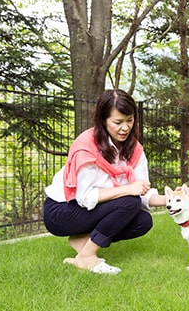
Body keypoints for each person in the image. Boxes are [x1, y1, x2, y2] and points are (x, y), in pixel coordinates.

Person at [43, 89, 166, 275]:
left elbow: (140, 191)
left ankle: (81, 241)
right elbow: (85, 197)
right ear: (103, 120)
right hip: (62, 210)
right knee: (129, 201)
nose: (125, 128)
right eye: (118, 122)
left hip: (89, 209)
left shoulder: (134, 149)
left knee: (143, 221)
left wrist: (173, 200)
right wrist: (128, 189)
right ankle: (87, 257)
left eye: (130, 120)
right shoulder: (86, 148)